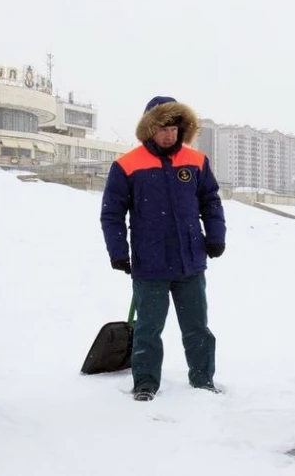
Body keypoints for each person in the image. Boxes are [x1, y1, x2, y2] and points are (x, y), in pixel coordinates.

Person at [100, 96, 226, 401]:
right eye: (162, 128)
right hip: (150, 264)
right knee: (148, 329)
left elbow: (210, 202)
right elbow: (112, 213)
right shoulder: (127, 165)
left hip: (190, 263)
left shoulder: (195, 161)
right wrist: (118, 251)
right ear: (149, 129)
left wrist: (216, 236)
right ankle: (145, 383)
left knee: (197, 328)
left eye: (174, 127)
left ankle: (203, 380)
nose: (169, 134)